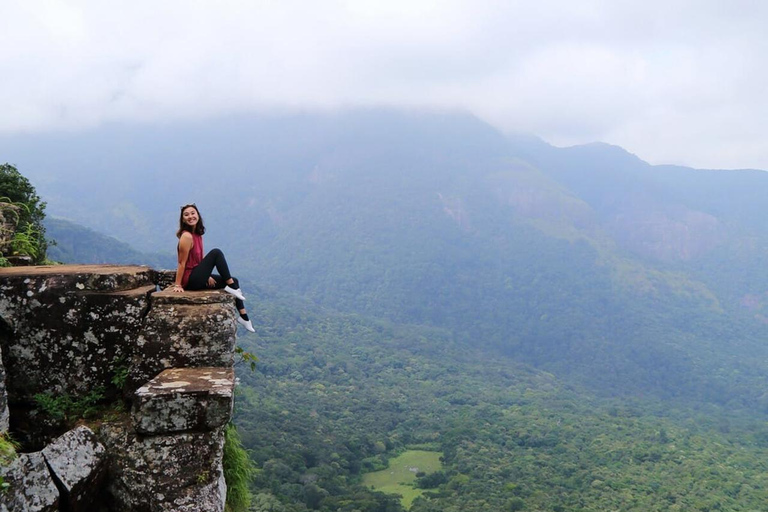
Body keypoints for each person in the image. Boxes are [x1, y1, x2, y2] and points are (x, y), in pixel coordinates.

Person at [171, 203, 256, 332]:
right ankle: (231, 287)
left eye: (193, 213)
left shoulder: (198, 235)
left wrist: (207, 275)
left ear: (198, 215)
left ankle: (244, 318)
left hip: (198, 275)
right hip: (190, 280)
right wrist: (178, 284)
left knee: (235, 280)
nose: (190, 216)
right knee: (216, 253)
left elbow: (200, 260)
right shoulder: (186, 236)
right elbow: (181, 262)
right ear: (183, 219)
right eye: (186, 215)